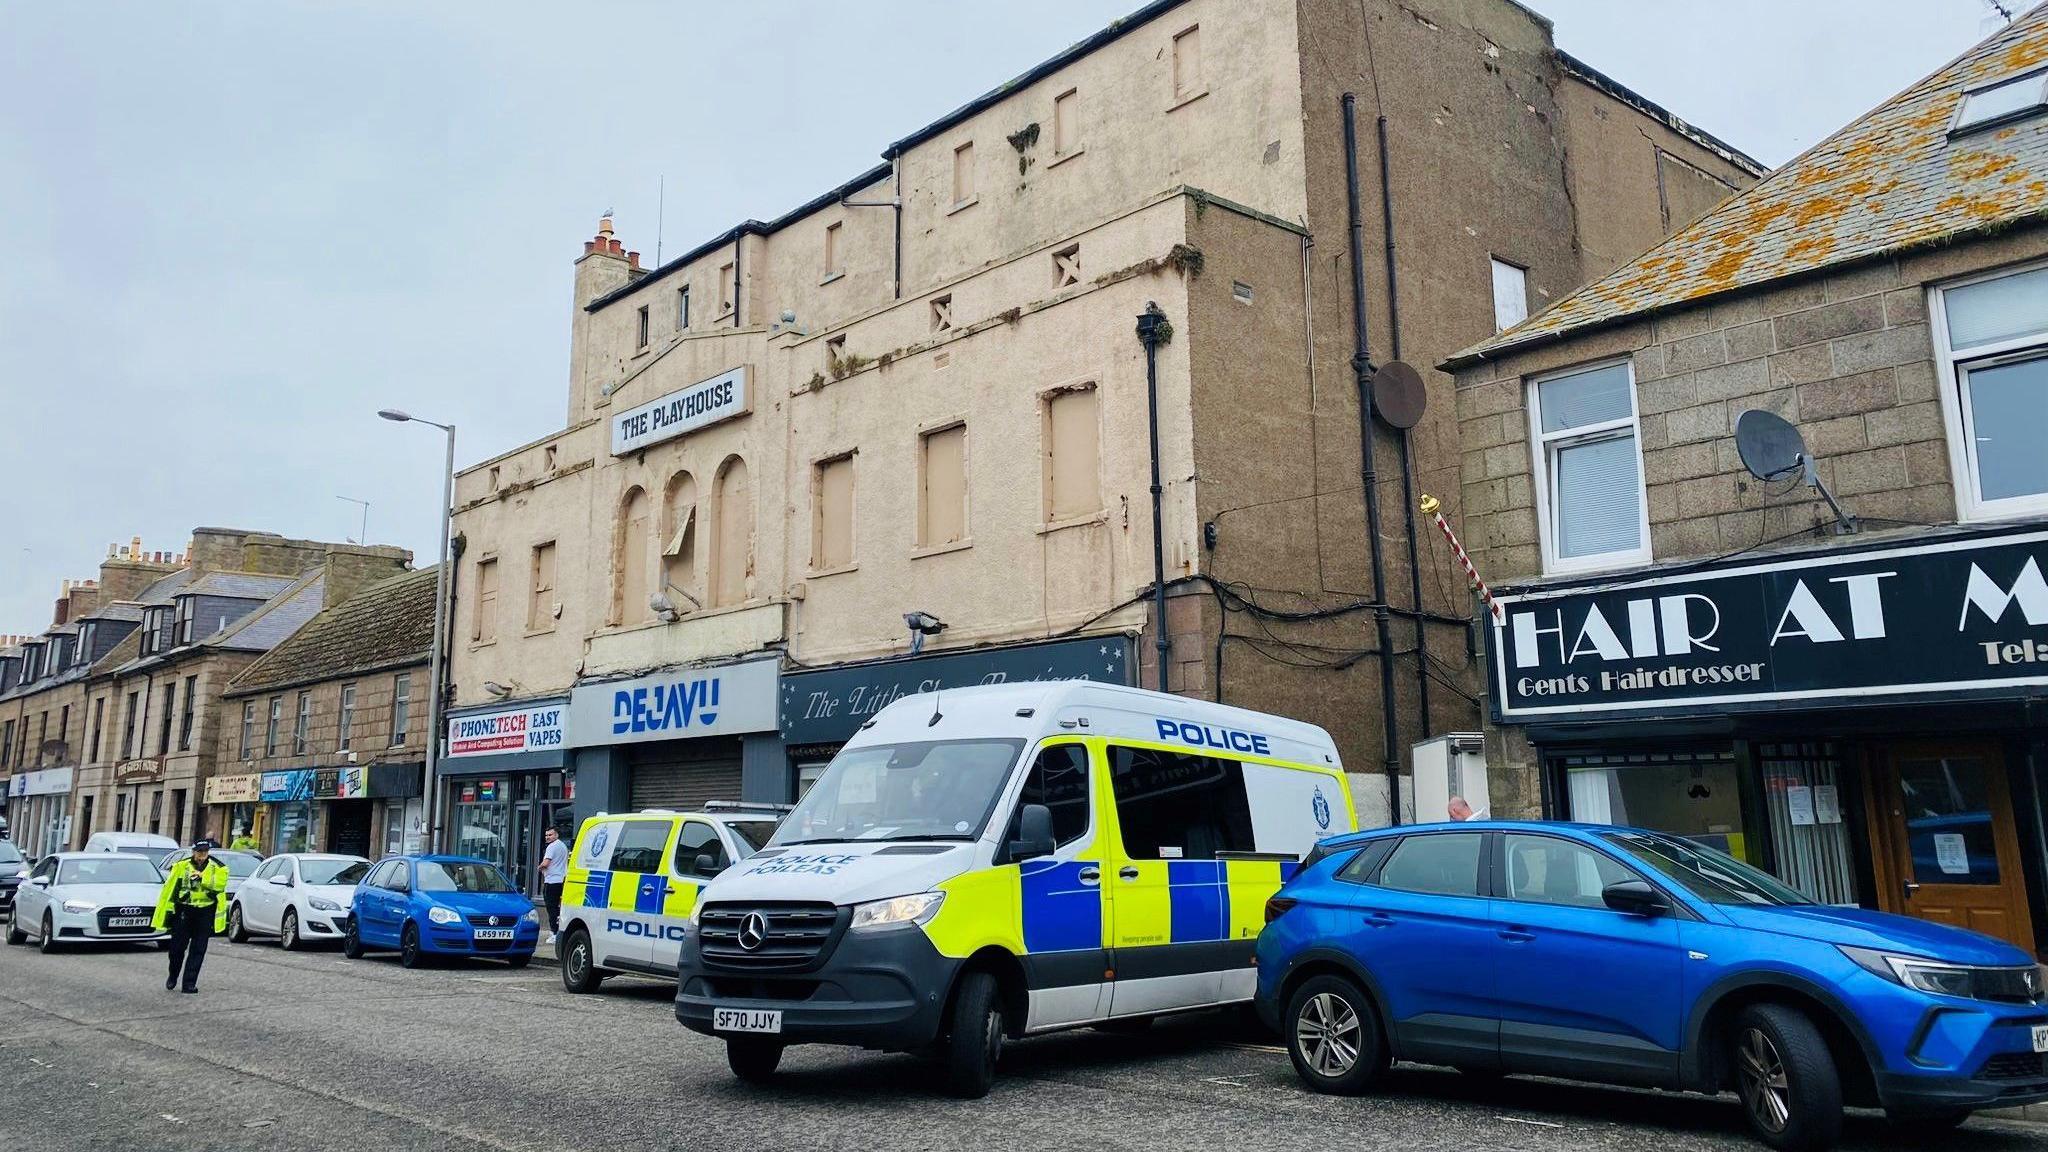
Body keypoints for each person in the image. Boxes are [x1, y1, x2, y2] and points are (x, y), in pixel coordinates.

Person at [153, 839, 230, 993]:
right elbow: (170, 889)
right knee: (176, 949)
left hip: (205, 911)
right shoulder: (182, 866)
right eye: (199, 852)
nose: (202, 856)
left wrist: (202, 878)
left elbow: (220, 885)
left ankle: (189, 983)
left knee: (198, 949)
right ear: (193, 852)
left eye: (205, 852)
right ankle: (173, 974)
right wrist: (168, 911)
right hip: (184, 910)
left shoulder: (218, 867)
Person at [537, 826, 568, 946]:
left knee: (551, 908)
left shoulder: (551, 847)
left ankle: (554, 933)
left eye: (550, 835)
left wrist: (539, 867)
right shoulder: (563, 846)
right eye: (546, 835)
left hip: (551, 882)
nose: (547, 837)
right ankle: (559, 931)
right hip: (561, 880)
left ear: (556, 835)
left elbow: (546, 863)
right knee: (558, 908)